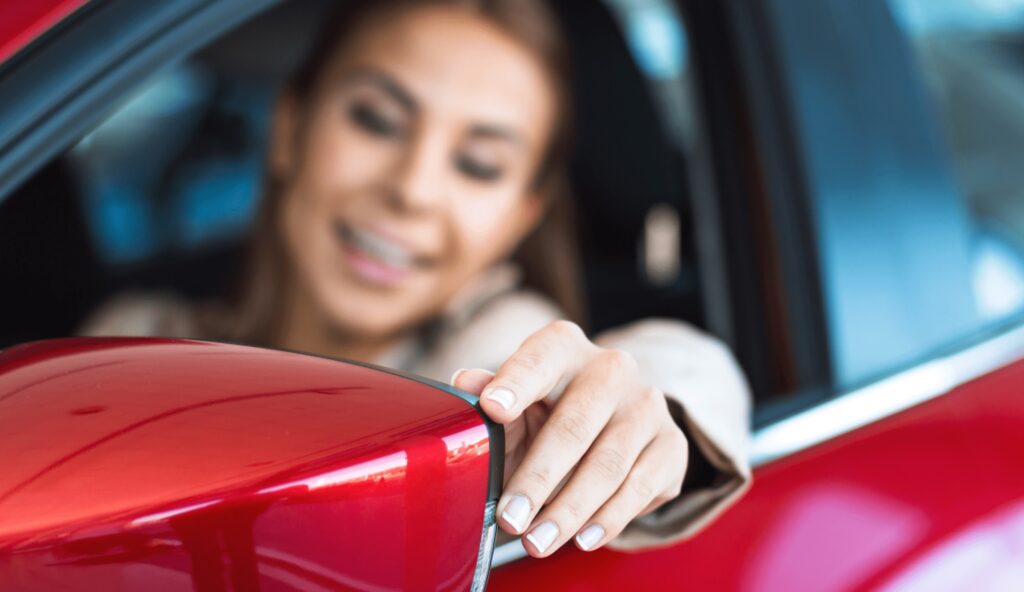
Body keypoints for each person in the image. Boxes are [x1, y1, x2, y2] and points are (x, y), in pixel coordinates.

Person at [82, 0, 751, 557]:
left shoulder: (503, 370)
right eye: (376, 121)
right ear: (289, 129)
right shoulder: (140, 336)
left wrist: (649, 416)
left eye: (478, 164)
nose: (412, 190)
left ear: (521, 216)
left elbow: (674, 370)